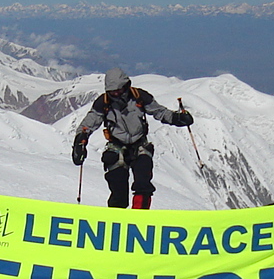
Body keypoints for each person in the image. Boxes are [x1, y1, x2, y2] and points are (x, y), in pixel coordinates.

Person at [71, 67, 194, 209]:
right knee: (118, 189)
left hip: (139, 145)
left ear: (126, 86)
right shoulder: (103, 103)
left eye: (119, 90)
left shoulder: (139, 97)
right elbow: (88, 124)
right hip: (117, 147)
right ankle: (118, 218)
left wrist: (176, 118)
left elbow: (159, 112)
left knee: (143, 184)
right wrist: (81, 140)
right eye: (112, 91)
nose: (116, 94)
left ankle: (138, 217)